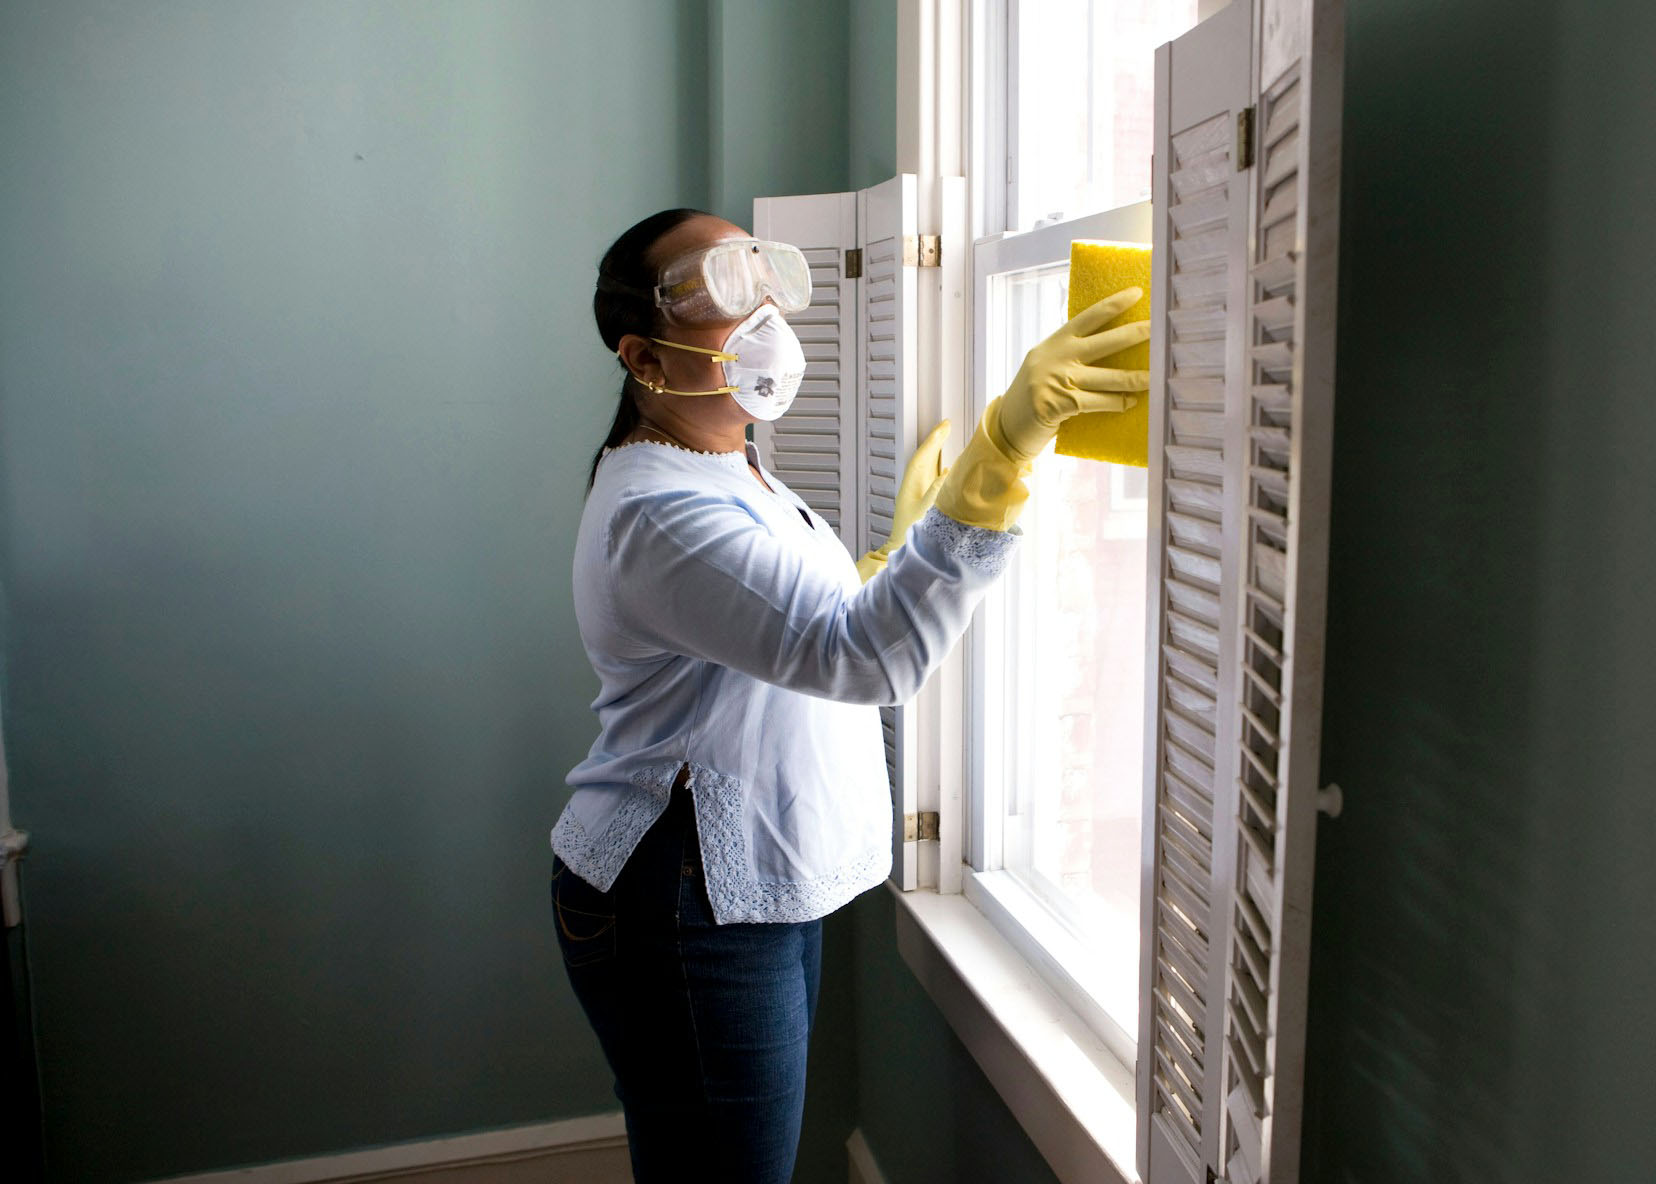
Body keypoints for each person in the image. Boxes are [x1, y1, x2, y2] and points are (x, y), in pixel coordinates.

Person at [551, 207, 1148, 1183]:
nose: (766, 307)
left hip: (736, 879)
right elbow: (863, 658)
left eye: (764, 270)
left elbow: (781, 624)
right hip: (681, 888)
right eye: (721, 286)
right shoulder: (659, 506)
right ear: (644, 357)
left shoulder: (729, 464)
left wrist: (890, 553)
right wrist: (1001, 452)